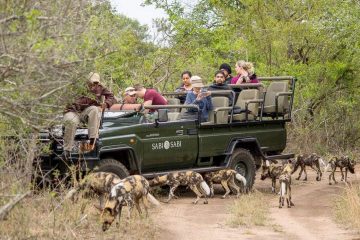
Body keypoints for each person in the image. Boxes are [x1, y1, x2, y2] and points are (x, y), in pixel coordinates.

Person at [63, 72, 116, 158]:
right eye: (92, 82)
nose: (94, 85)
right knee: (71, 121)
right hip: (73, 111)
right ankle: (67, 150)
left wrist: (105, 104)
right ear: (87, 81)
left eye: (96, 83)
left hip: (86, 112)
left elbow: (112, 97)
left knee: (94, 109)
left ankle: (93, 140)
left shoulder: (100, 88)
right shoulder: (77, 87)